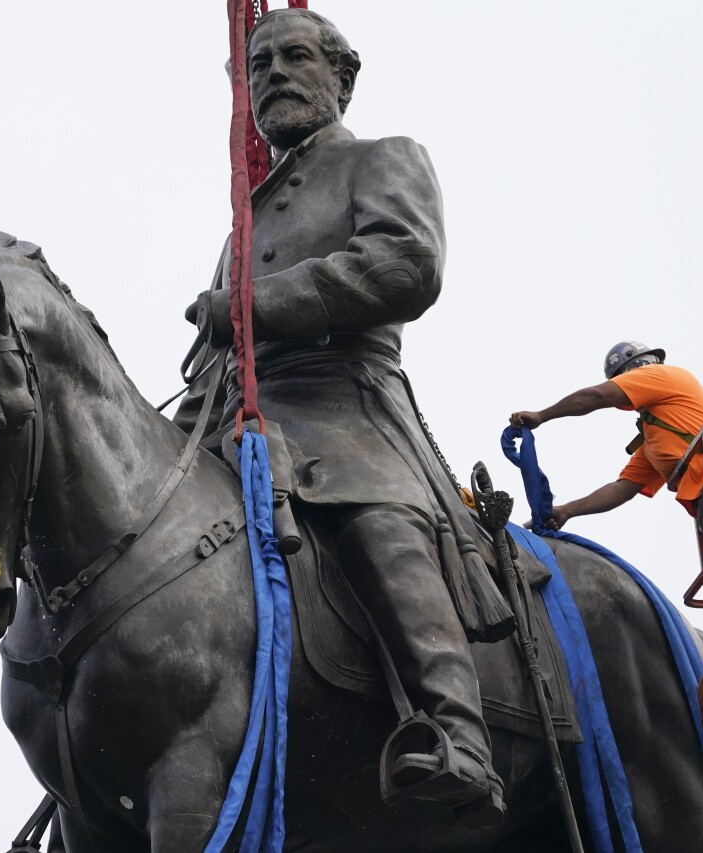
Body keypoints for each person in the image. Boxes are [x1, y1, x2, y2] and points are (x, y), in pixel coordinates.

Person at [173, 8, 506, 824]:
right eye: (259, 66)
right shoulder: (242, 222)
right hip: (241, 425)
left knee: (374, 522)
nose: (274, 75)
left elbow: (406, 262)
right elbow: (219, 356)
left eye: (294, 58)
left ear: (342, 77)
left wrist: (251, 305)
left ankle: (459, 733)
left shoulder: (383, 159)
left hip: (347, 406)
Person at [510, 341, 703, 634]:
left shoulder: (663, 375)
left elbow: (597, 395)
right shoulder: (657, 432)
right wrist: (567, 511)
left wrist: (542, 416)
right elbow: (623, 487)